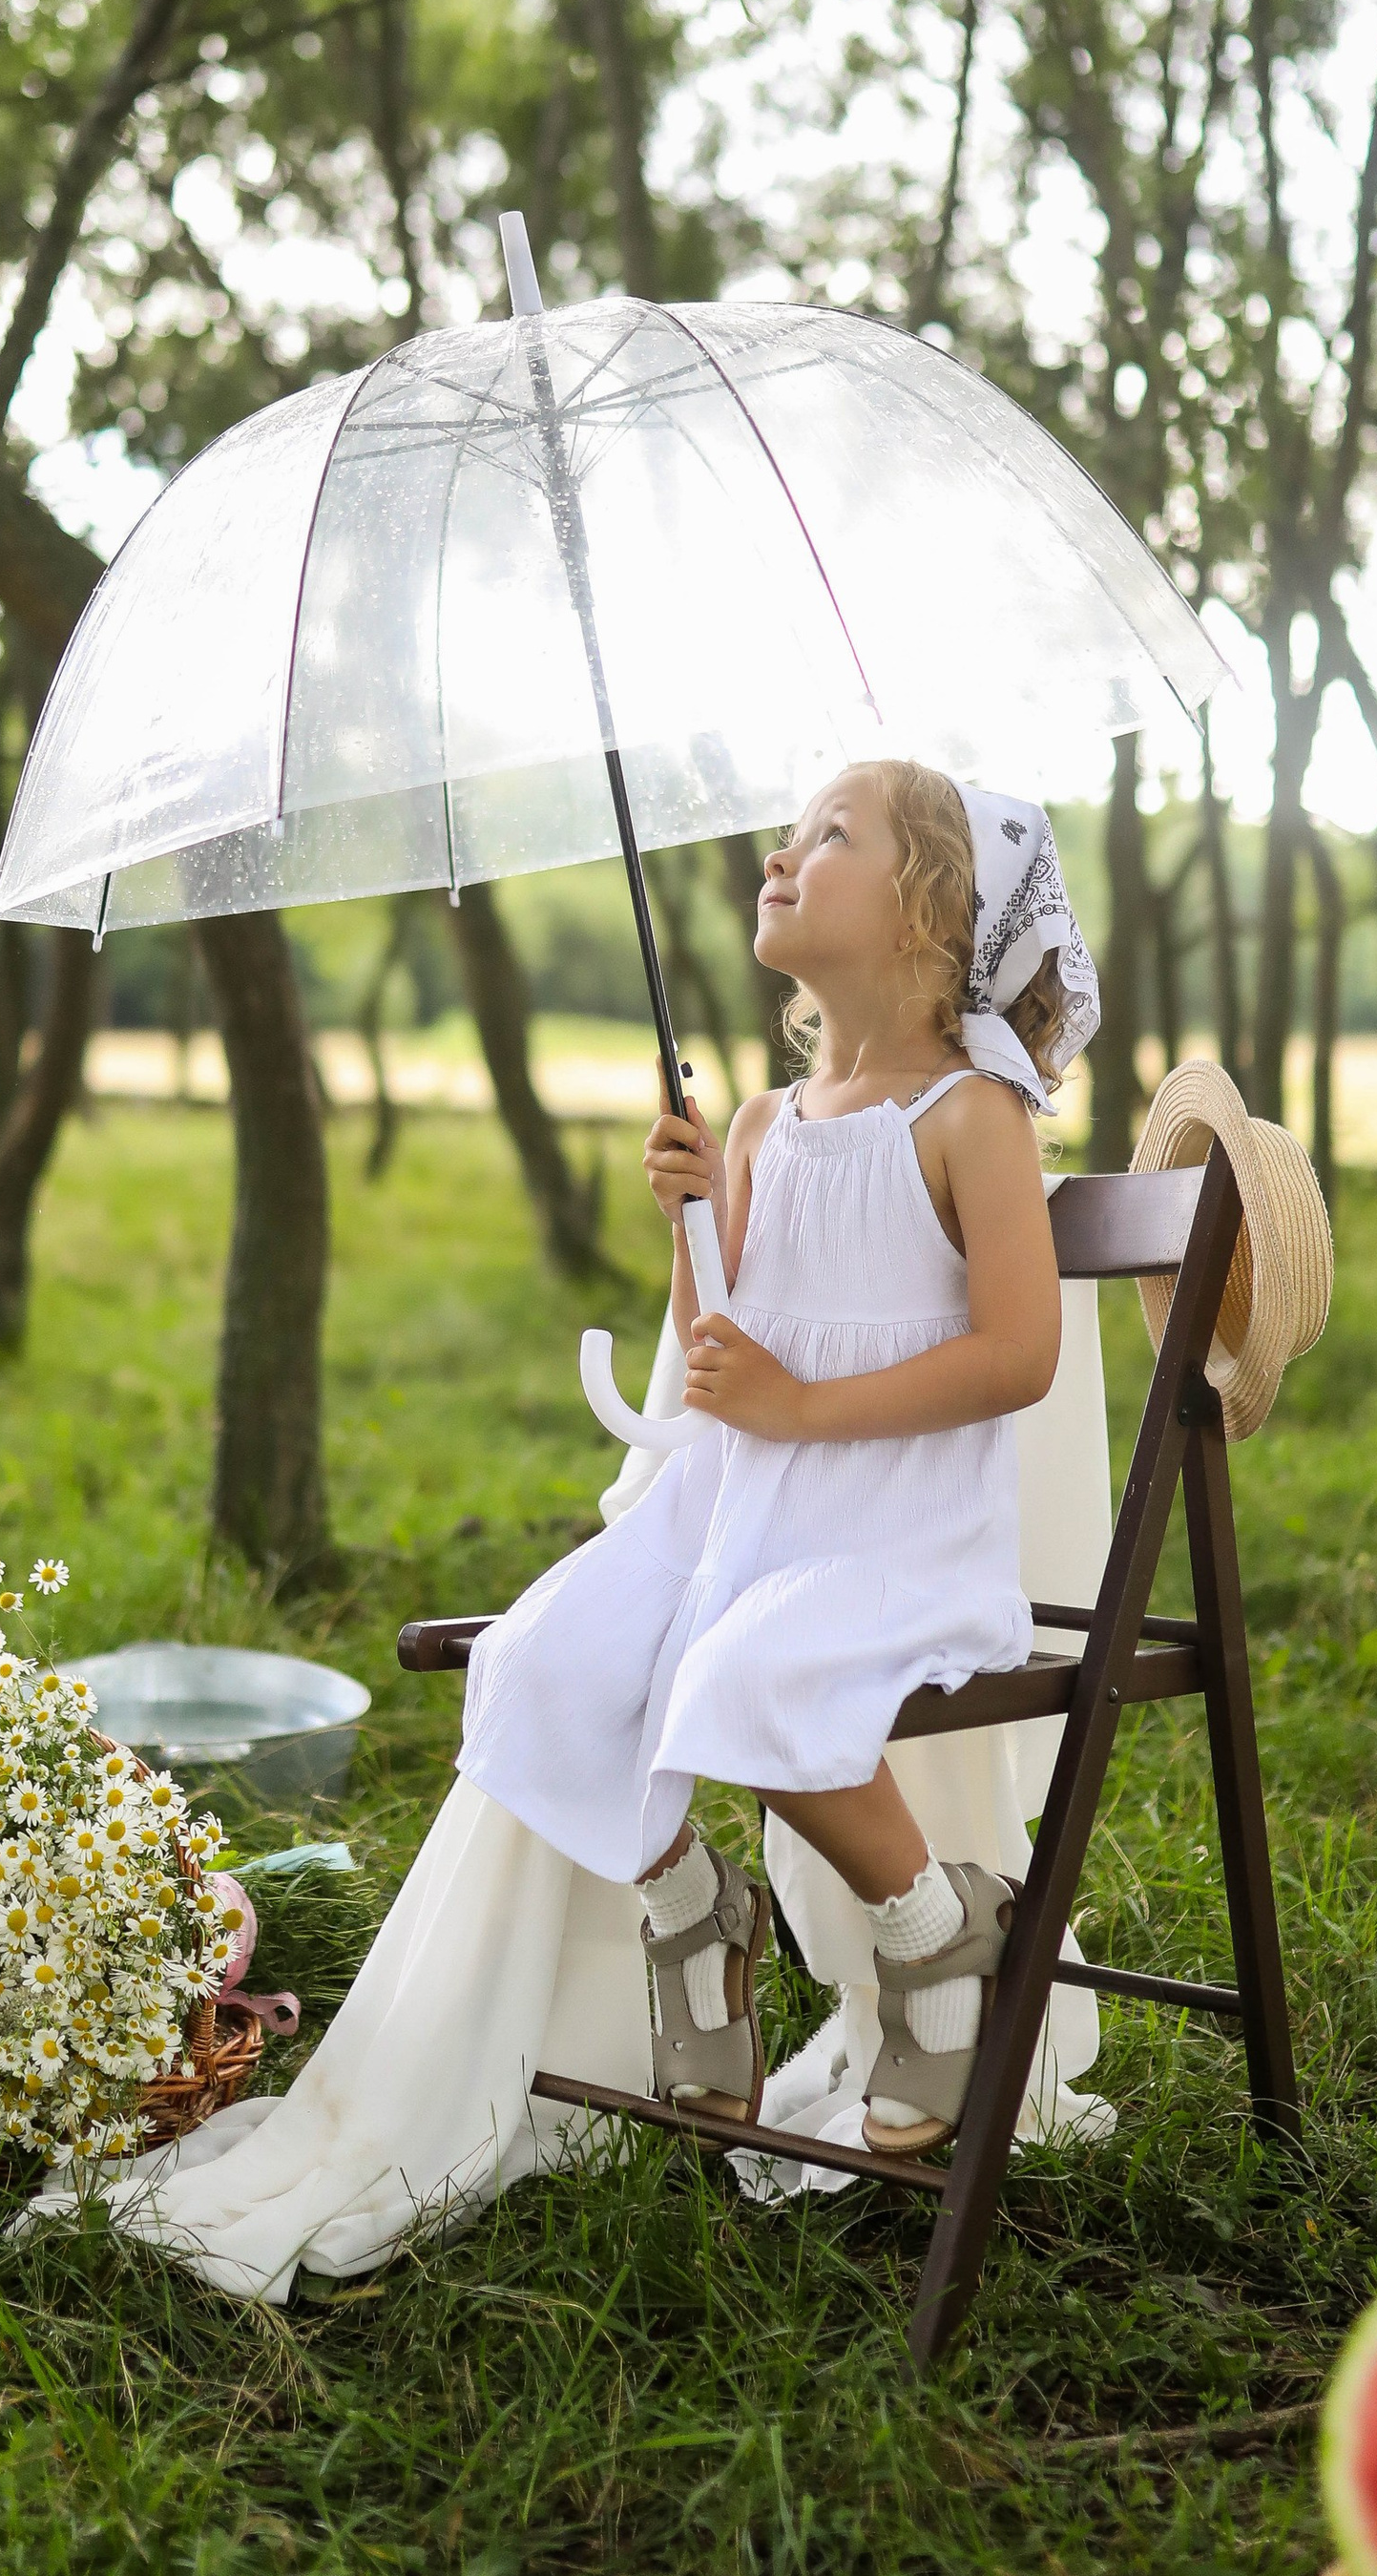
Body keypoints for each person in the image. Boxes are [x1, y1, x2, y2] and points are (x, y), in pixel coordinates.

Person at [458, 760, 1099, 2158]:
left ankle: (934, 1927)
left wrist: (802, 1404)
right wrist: (690, 1225)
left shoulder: (971, 1120)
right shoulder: (759, 1124)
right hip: (734, 1514)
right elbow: (719, 1352)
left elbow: (1019, 1355)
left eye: (830, 837)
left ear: (929, 914)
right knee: (531, 1665)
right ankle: (694, 1908)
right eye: (792, 834)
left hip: (892, 1534)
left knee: (737, 1678)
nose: (779, 855)